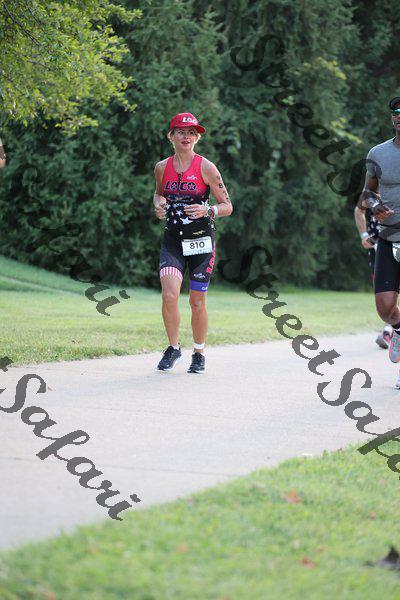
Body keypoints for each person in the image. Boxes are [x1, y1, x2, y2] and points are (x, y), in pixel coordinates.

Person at [153, 113, 233, 373]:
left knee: (197, 302)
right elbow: (159, 194)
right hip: (173, 240)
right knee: (169, 294)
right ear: (171, 136)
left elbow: (227, 206)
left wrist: (208, 210)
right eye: (181, 132)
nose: (186, 137)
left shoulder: (206, 168)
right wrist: (158, 205)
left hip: (201, 241)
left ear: (197, 138)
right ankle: (173, 347)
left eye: (191, 133)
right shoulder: (161, 167)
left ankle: (199, 353)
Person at [358, 96, 400, 384]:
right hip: (388, 238)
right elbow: (366, 194)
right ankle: (398, 330)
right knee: (385, 309)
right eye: (396, 111)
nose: (399, 115)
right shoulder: (378, 153)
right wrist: (375, 205)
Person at [353, 204, 391, 348]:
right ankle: (391, 330)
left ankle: (388, 331)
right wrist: (364, 235)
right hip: (378, 247)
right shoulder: (371, 193)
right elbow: (359, 210)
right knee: (384, 295)